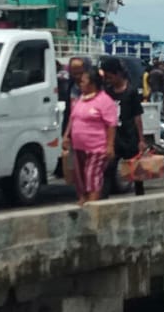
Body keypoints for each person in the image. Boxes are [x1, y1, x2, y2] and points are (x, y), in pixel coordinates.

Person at [63, 67, 116, 204]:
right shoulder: (81, 99)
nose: (80, 82)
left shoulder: (105, 101)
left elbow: (111, 125)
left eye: (84, 80)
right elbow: (73, 118)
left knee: (92, 176)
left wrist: (110, 146)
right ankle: (82, 200)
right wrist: (66, 135)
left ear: (92, 83)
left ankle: (93, 204)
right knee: (80, 177)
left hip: (97, 147)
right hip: (79, 146)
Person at [103, 57, 147, 196]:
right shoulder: (107, 92)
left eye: (110, 77)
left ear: (118, 74)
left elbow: (137, 116)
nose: (108, 80)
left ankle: (140, 195)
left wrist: (141, 139)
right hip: (115, 136)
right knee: (109, 167)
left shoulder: (131, 91)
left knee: (135, 170)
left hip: (129, 135)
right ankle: (105, 197)